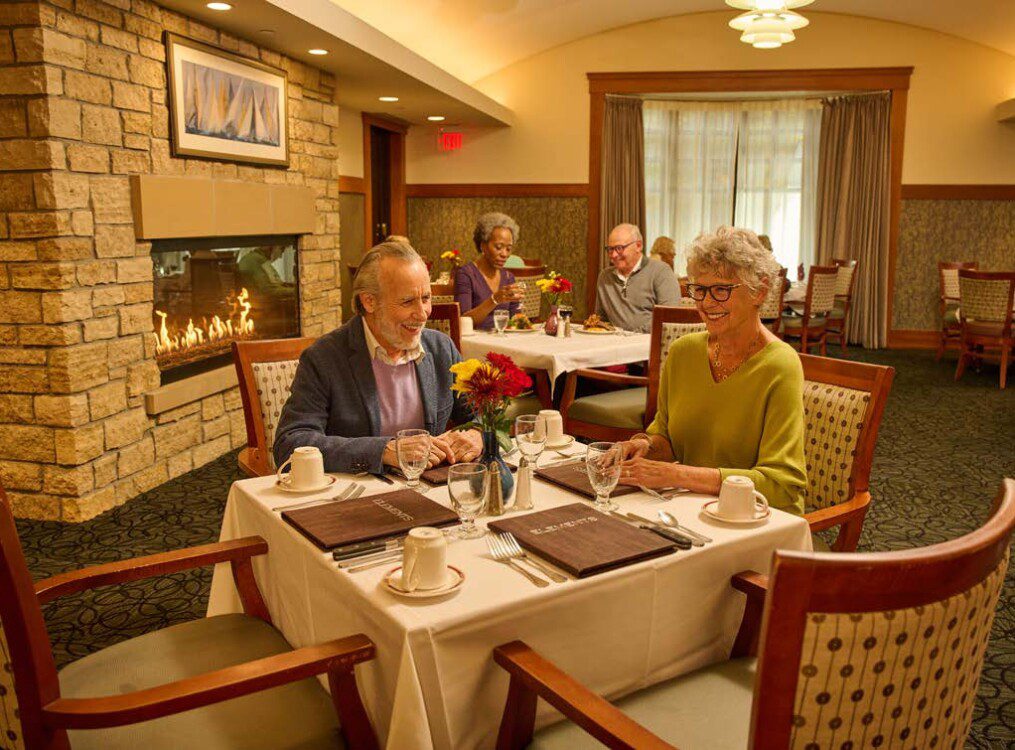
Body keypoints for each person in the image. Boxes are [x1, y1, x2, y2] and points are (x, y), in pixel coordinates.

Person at [617, 226, 807, 514]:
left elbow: (781, 485)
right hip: (692, 509)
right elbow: (666, 437)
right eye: (700, 290)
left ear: (760, 291)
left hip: (757, 521)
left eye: (721, 290)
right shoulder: (683, 353)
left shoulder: (780, 364)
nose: (706, 303)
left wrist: (678, 476)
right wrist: (645, 447)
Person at [274, 241, 481, 474]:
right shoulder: (324, 358)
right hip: (355, 497)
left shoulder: (441, 348)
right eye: (407, 301)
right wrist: (383, 451)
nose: (423, 314)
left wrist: (477, 434)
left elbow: (483, 413)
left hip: (432, 490)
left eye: (425, 298)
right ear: (369, 301)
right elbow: (291, 443)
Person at [595, 223, 681, 333]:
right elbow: (601, 319)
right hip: (615, 343)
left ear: (638, 246)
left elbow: (670, 317)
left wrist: (632, 336)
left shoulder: (661, 272)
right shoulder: (605, 277)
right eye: (610, 249)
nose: (614, 255)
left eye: (619, 248)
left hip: (650, 343)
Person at [455, 212, 524, 329]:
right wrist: (494, 300)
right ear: (483, 246)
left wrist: (522, 317)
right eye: (498, 247)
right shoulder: (466, 274)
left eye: (508, 249)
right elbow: (463, 321)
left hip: (503, 341)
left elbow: (515, 319)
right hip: (475, 343)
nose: (504, 254)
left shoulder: (508, 277)